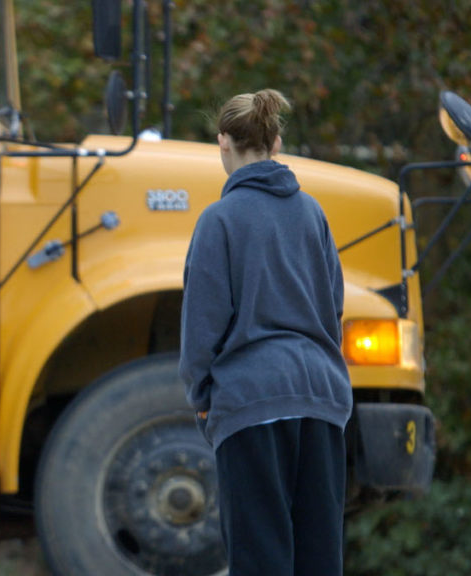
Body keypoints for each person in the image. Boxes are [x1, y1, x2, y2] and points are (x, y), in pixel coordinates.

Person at [179, 89, 353, 576]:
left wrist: (201, 396)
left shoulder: (218, 221)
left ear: (223, 144)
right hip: (321, 398)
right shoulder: (312, 213)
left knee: (261, 558)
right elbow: (332, 307)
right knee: (319, 558)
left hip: (251, 403)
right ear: (276, 144)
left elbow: (202, 328)